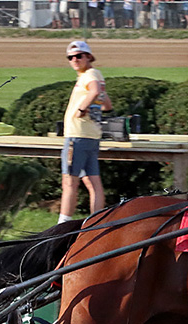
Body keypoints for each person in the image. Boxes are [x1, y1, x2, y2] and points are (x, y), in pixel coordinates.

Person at [59, 40, 113, 223]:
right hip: (91, 136)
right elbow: (107, 105)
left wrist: (81, 109)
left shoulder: (89, 75)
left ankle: (62, 224)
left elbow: (95, 91)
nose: (74, 60)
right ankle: (95, 222)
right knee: (93, 182)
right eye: (70, 57)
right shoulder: (96, 75)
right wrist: (94, 105)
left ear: (88, 57)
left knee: (69, 182)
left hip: (77, 135)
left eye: (79, 56)